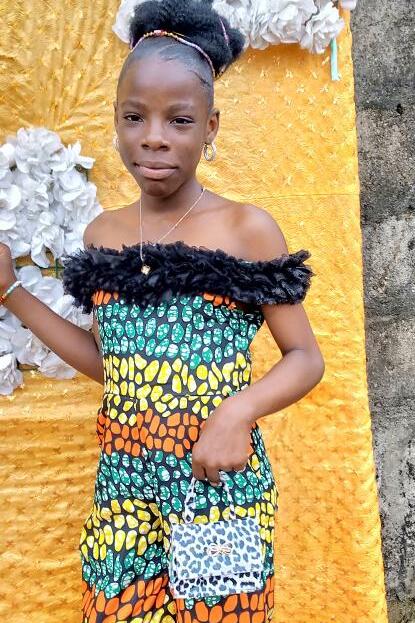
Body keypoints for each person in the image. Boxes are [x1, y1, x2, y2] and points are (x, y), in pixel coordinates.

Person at [0, 0, 325, 621]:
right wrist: (10, 291)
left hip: (215, 486)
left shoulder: (245, 229)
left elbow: (305, 357)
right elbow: (110, 363)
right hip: (123, 489)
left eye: (179, 120)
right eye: (135, 117)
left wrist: (237, 412)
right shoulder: (103, 235)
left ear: (211, 127)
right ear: (116, 121)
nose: (153, 136)